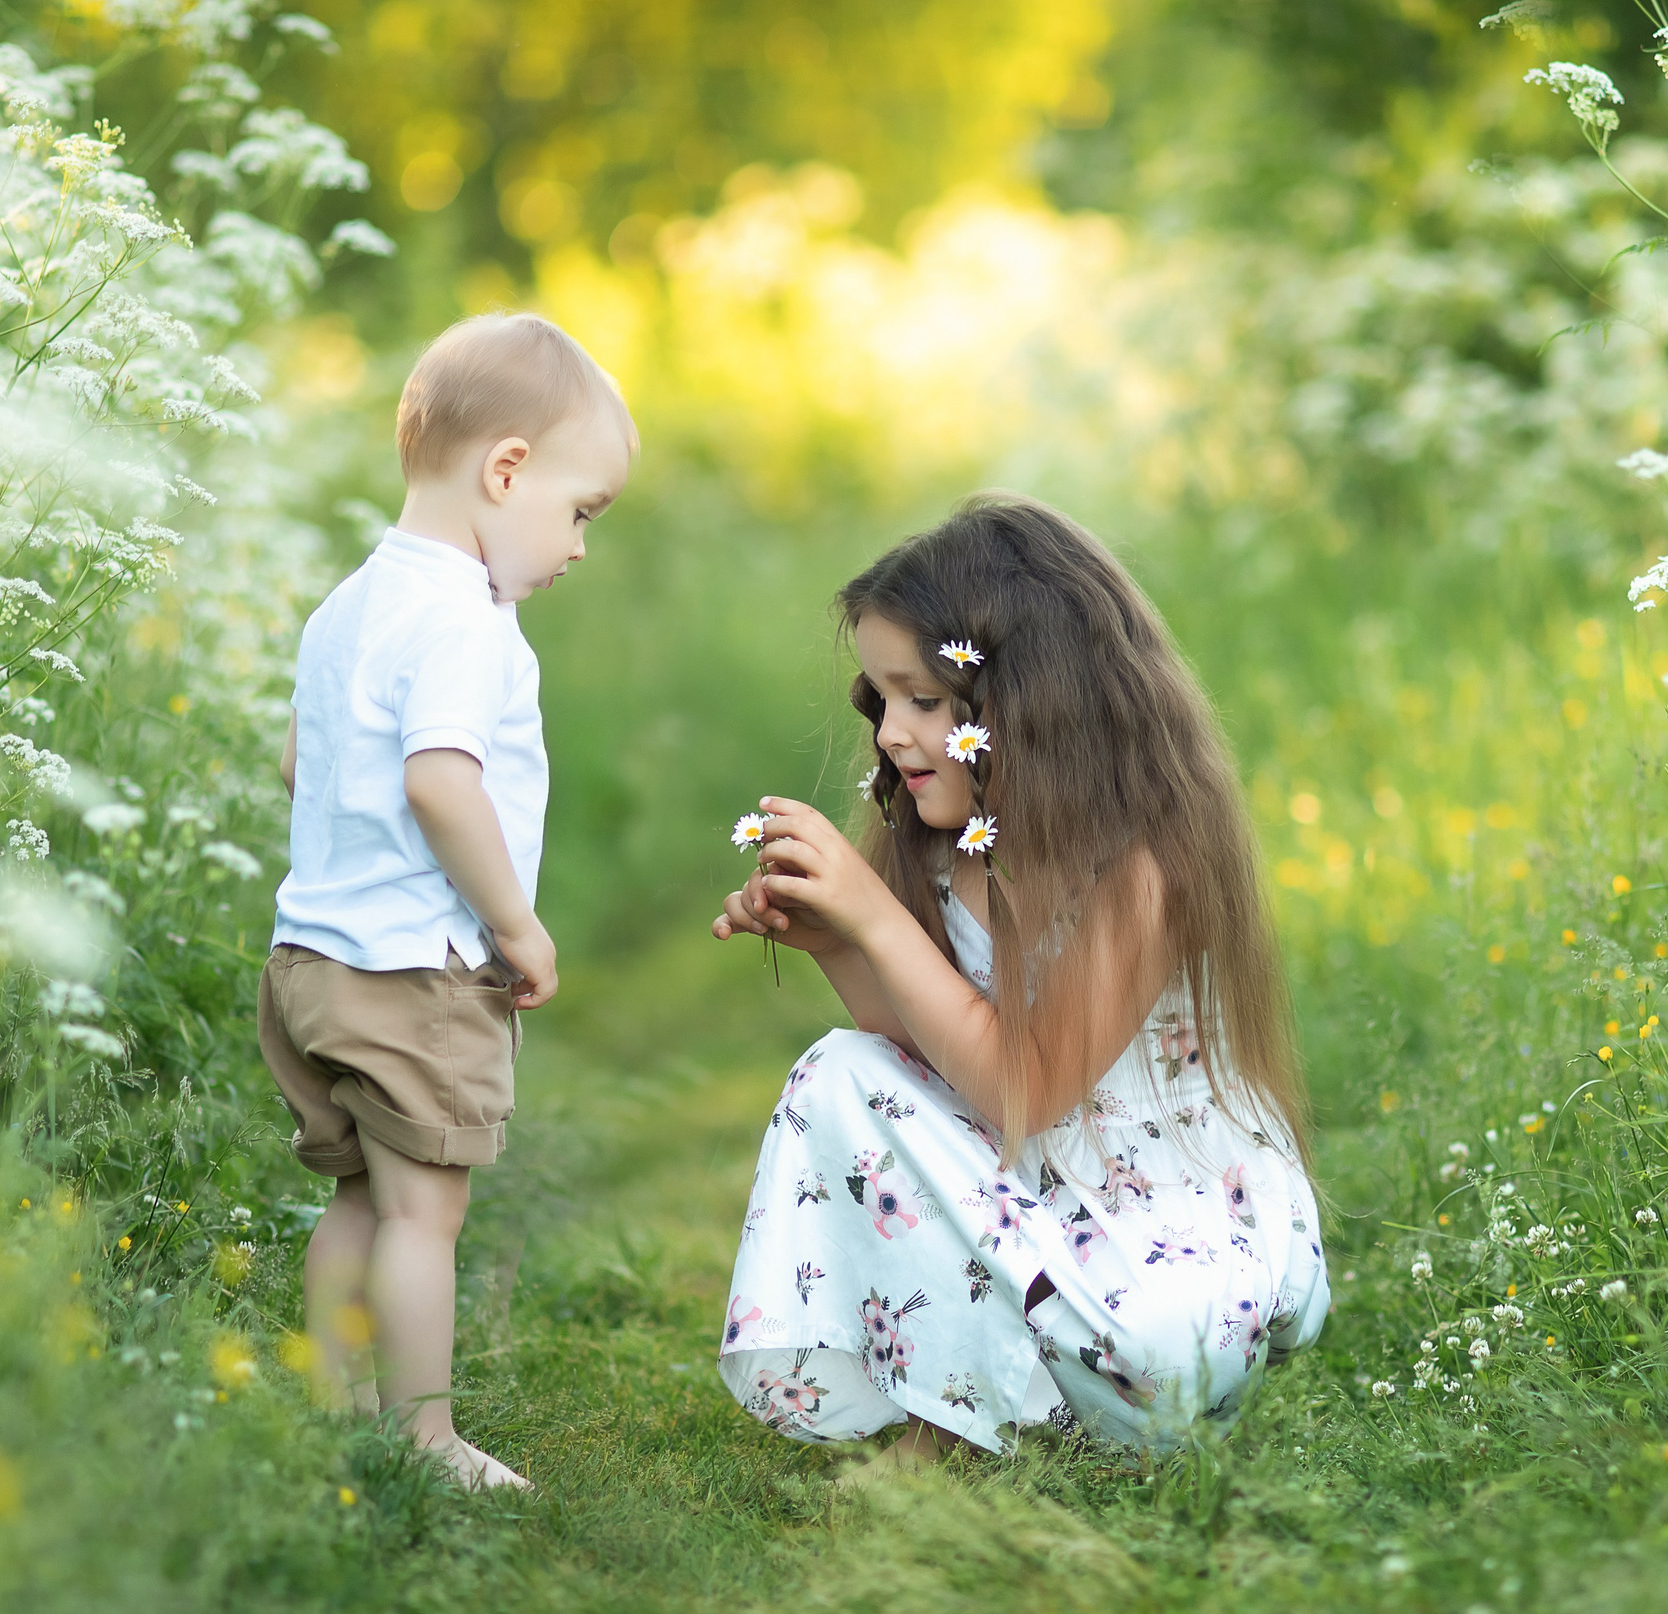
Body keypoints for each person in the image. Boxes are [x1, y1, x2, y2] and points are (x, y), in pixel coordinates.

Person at [711, 496, 1328, 1461]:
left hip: (1156, 1210)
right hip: (1023, 1196)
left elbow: (1022, 1090)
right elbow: (930, 1056)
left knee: (1166, 1350)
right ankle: (953, 1408)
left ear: (1028, 703)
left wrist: (873, 915)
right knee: (841, 1071)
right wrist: (837, 941)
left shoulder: (1137, 869)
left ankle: (1039, 1393)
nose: (888, 736)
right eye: (881, 701)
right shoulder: (954, 849)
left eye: (922, 700)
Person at [261, 312, 634, 1491]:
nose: (578, 547)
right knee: (426, 1214)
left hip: (311, 959)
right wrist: (514, 923)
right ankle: (423, 1441)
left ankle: (334, 1412)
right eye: (580, 512)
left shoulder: (349, 605)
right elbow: (438, 778)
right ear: (504, 470)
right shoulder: (469, 622)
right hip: (413, 968)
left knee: (358, 1199)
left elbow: (298, 761)